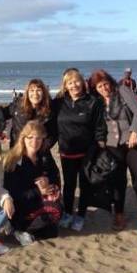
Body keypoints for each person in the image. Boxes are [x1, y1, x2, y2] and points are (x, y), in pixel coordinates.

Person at [89, 69, 137, 236]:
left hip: (133, 144)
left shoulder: (122, 91)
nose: (104, 88)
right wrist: (101, 140)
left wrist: (134, 132)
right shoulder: (97, 101)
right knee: (117, 183)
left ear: (110, 82)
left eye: (105, 84)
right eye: (99, 86)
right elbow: (97, 124)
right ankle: (119, 215)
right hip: (112, 146)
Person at [52, 69, 107, 231]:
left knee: (85, 185)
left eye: (76, 81)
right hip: (66, 151)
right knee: (68, 185)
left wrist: (101, 142)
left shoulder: (92, 101)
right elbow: (44, 116)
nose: (74, 85)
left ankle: (81, 215)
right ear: (65, 86)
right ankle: (68, 213)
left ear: (82, 82)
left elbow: (100, 126)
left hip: (87, 152)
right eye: (70, 82)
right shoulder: (59, 102)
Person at [4, 121, 62, 246]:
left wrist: (48, 181)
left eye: (38, 138)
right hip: (20, 206)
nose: (34, 142)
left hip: (37, 201)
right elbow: (13, 193)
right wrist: (38, 191)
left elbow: (55, 176)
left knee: (53, 231)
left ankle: (25, 231)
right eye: (30, 137)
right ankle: (18, 228)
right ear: (23, 138)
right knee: (54, 211)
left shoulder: (44, 156)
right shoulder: (15, 160)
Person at [3, 79, 56, 150]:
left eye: (39, 90)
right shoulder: (17, 106)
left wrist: (41, 149)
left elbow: (52, 135)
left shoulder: (49, 111)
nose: (35, 94)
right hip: (18, 152)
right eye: (32, 90)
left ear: (43, 93)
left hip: (40, 154)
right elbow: (0, 115)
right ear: (27, 93)